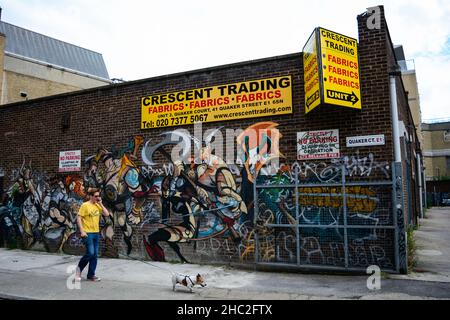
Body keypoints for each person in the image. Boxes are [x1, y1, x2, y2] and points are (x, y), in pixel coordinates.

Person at [75, 189, 110, 281]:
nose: (97, 198)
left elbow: (107, 214)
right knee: (90, 253)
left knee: (94, 255)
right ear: (91, 196)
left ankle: (91, 275)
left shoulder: (98, 205)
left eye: (99, 196)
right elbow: (79, 218)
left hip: (96, 232)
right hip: (87, 233)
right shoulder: (85, 205)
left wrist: (101, 204)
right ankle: (78, 272)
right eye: (96, 196)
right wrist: (82, 231)